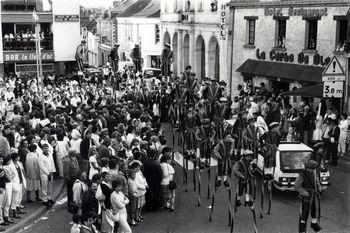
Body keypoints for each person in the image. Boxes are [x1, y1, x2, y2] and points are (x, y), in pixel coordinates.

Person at [295, 160, 322, 233]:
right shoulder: (302, 174)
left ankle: (314, 224)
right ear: (308, 168)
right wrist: (304, 192)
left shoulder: (314, 172)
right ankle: (302, 228)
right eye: (312, 168)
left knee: (315, 210)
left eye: (314, 169)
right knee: (304, 212)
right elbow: (297, 185)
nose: (313, 170)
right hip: (306, 196)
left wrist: (319, 186)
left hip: (313, 194)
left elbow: (316, 180)